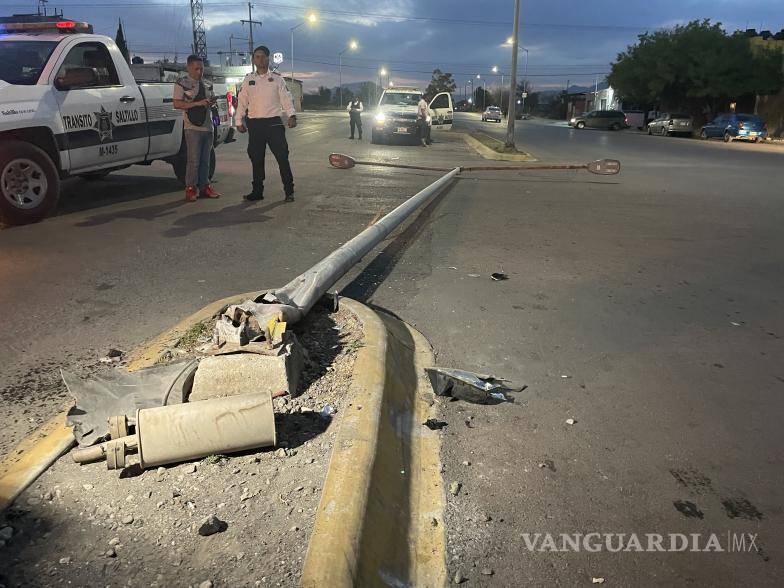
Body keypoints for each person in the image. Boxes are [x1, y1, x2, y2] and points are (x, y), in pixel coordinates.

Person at [235, 45, 297, 202]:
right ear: (253, 60)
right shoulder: (248, 79)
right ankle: (257, 191)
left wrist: (291, 115)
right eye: (257, 57)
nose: (260, 59)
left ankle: (289, 191)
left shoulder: (277, 78)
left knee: (282, 157)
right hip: (255, 125)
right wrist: (238, 120)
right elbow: (242, 101)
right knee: (256, 159)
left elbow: (286, 98)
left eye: (263, 56)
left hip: (273, 124)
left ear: (268, 58)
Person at [173, 54, 220, 202]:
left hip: (208, 126)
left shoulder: (207, 84)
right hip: (192, 127)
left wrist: (211, 102)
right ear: (188, 68)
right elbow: (177, 104)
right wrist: (197, 104)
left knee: (206, 160)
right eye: (196, 69)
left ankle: (205, 186)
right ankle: (191, 188)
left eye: (201, 69)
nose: (199, 72)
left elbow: (211, 100)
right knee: (193, 160)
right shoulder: (182, 83)